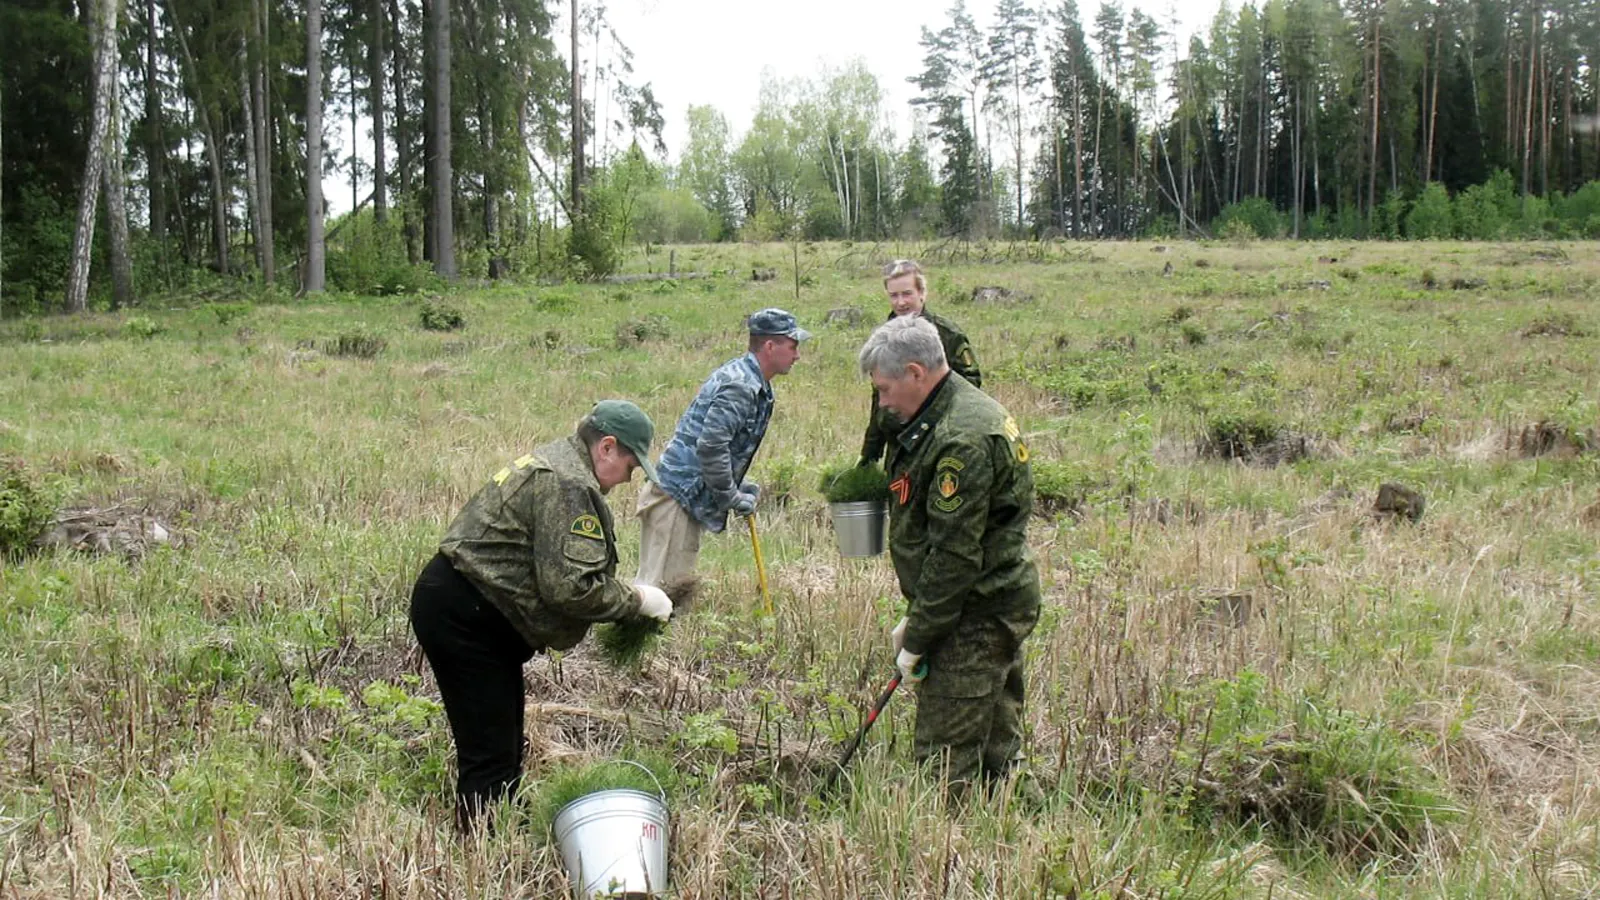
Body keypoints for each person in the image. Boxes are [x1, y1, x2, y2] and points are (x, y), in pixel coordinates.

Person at [409, 400, 674, 830]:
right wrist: (637, 601)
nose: (630, 478)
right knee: (490, 755)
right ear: (607, 447)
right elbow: (569, 589)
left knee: (505, 744)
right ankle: (483, 852)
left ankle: (498, 831)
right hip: (469, 616)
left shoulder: (558, 461)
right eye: (631, 465)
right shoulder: (568, 484)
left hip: (474, 609)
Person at [857, 315, 1040, 800]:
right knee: (999, 748)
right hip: (984, 602)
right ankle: (1010, 834)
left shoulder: (963, 439)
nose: (883, 402)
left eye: (885, 388)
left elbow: (954, 556)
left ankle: (950, 853)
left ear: (916, 372)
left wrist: (920, 633)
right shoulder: (939, 414)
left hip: (975, 614)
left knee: (945, 760)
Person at [635, 308, 809, 586]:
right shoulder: (741, 386)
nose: (797, 355)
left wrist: (737, 482)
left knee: (664, 591)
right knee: (660, 594)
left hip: (681, 495)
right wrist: (730, 496)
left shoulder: (750, 379)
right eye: (793, 346)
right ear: (769, 345)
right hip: (677, 497)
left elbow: (719, 447)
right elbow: (711, 447)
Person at [858, 259, 982, 468]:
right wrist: (870, 451)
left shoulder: (948, 335)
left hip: (935, 440)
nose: (901, 302)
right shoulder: (884, 338)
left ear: (922, 293)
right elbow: (879, 398)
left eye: (907, 294)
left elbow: (971, 386)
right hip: (897, 442)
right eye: (894, 296)